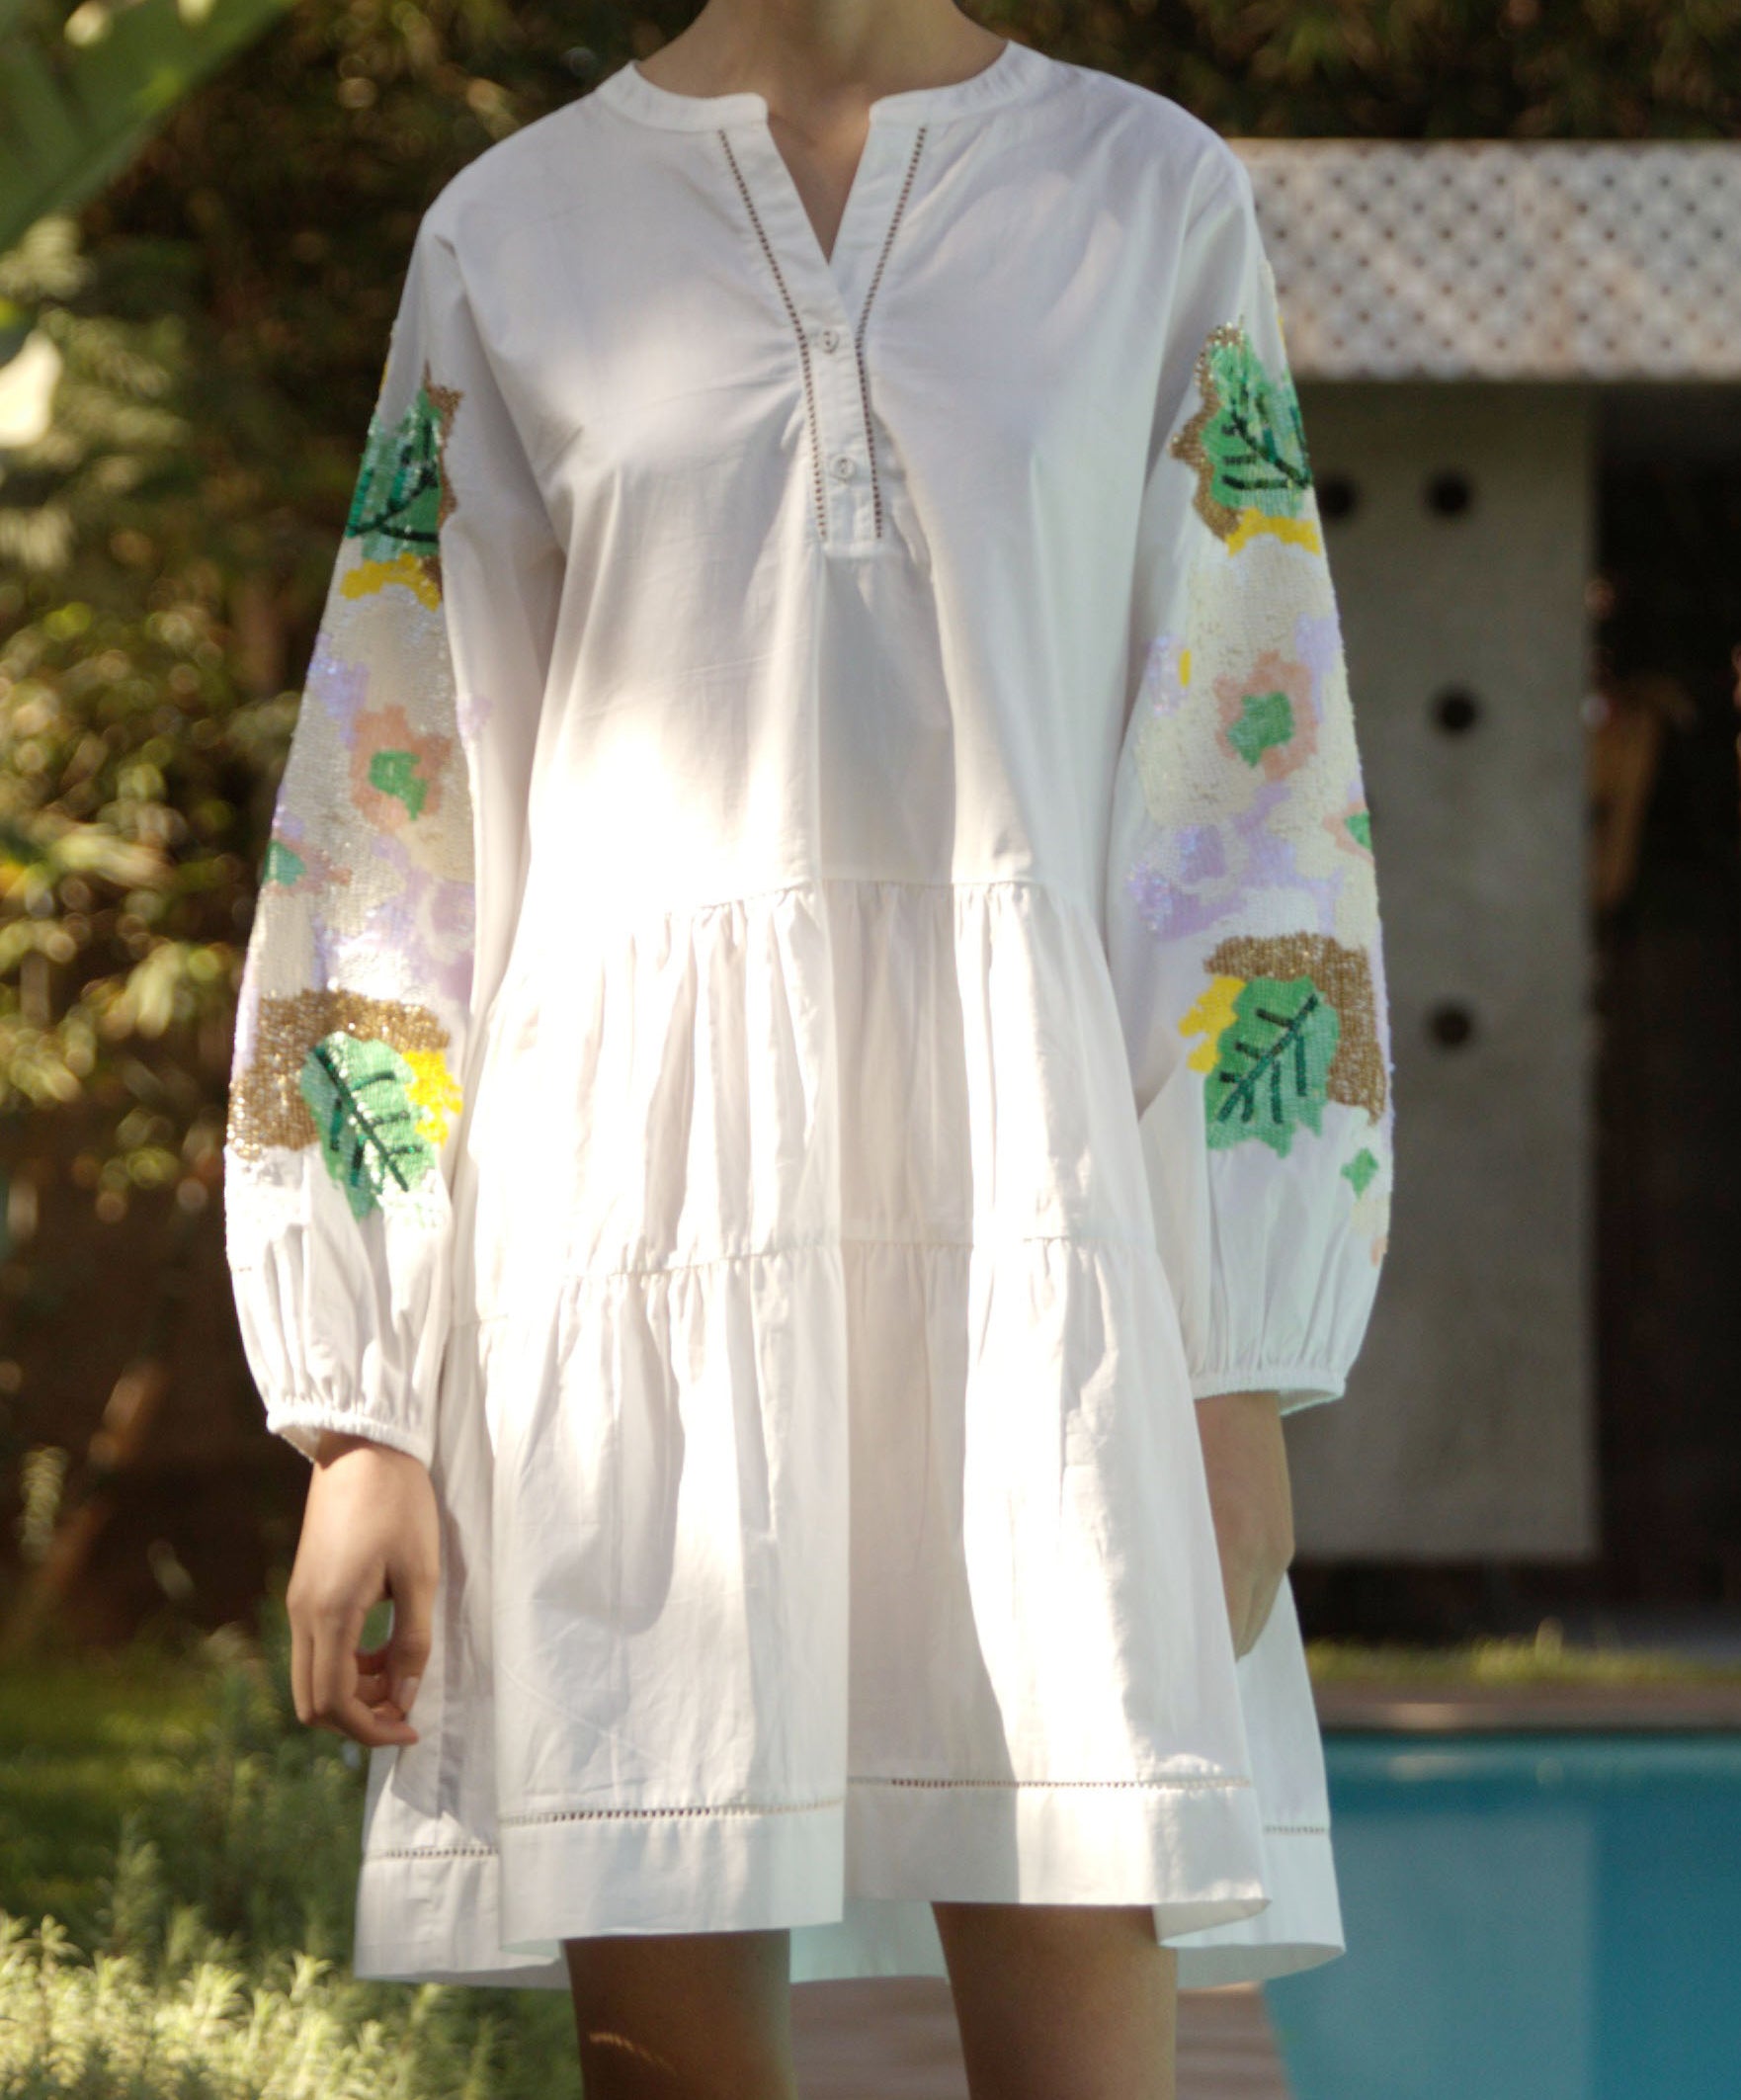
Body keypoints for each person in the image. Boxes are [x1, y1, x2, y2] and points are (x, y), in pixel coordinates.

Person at [221, 3, 1394, 2094]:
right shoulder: (514, 227)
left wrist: (1237, 1346)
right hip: (629, 1239)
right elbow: (396, 808)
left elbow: (1245, 765)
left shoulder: (1148, 197)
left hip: (1047, 1230)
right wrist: (361, 1409)